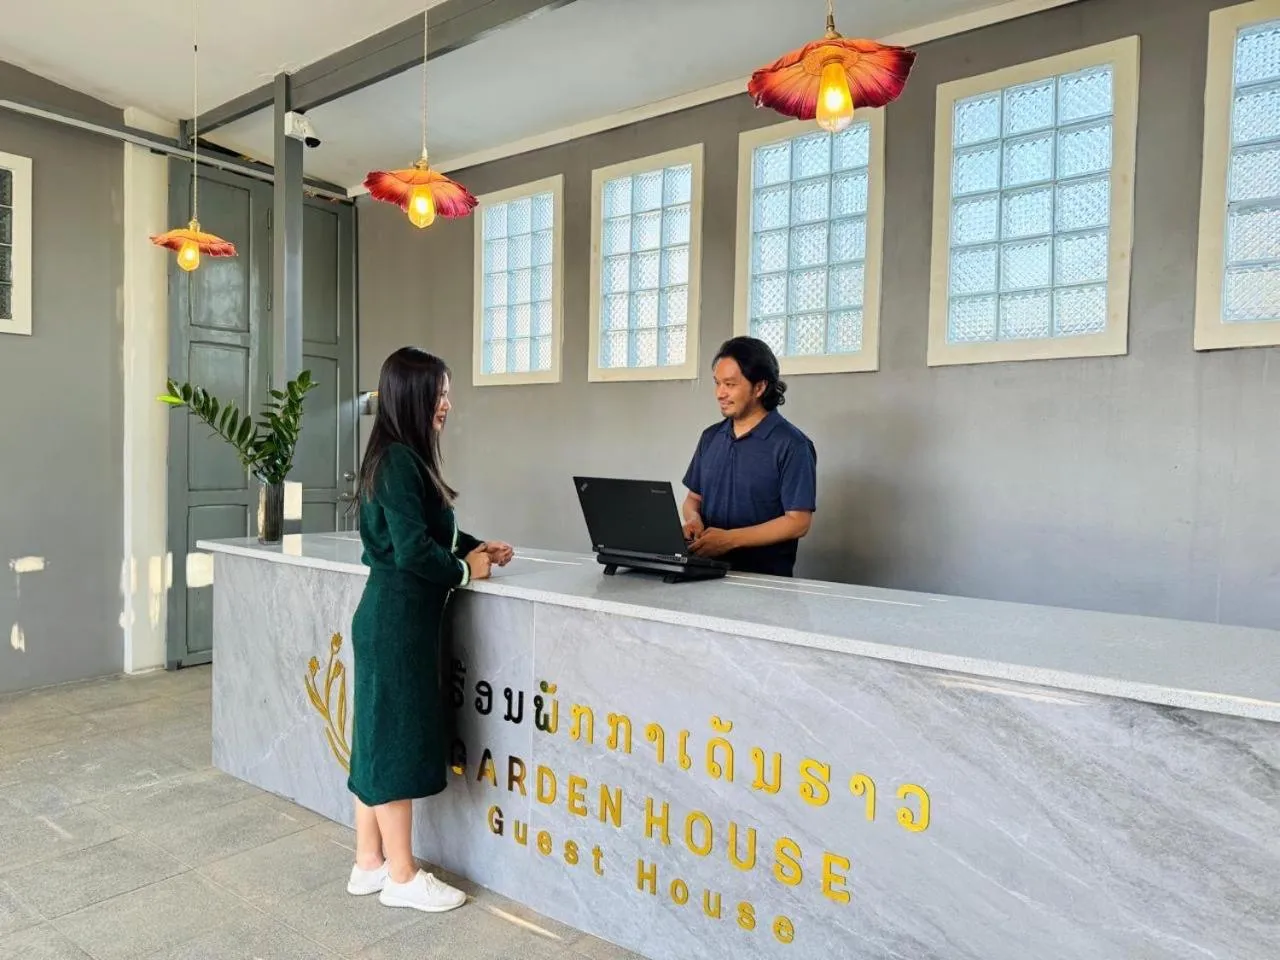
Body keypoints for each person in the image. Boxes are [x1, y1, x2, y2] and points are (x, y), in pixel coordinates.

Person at [345, 347, 514, 913]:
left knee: (374, 738)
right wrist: (468, 569)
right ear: (412, 396)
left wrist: (475, 547)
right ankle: (402, 875)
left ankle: (368, 863)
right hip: (396, 621)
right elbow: (415, 551)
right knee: (392, 745)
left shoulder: (399, 459)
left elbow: (425, 534)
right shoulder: (396, 461)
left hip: (393, 618)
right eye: (439, 393)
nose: (447, 404)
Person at [682, 336, 816, 577]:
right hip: (705, 576)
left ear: (759, 387)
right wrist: (693, 521)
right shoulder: (710, 437)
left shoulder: (793, 445)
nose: (720, 393)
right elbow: (693, 500)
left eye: (730, 384)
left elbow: (798, 522)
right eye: (717, 383)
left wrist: (730, 539)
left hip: (764, 585)